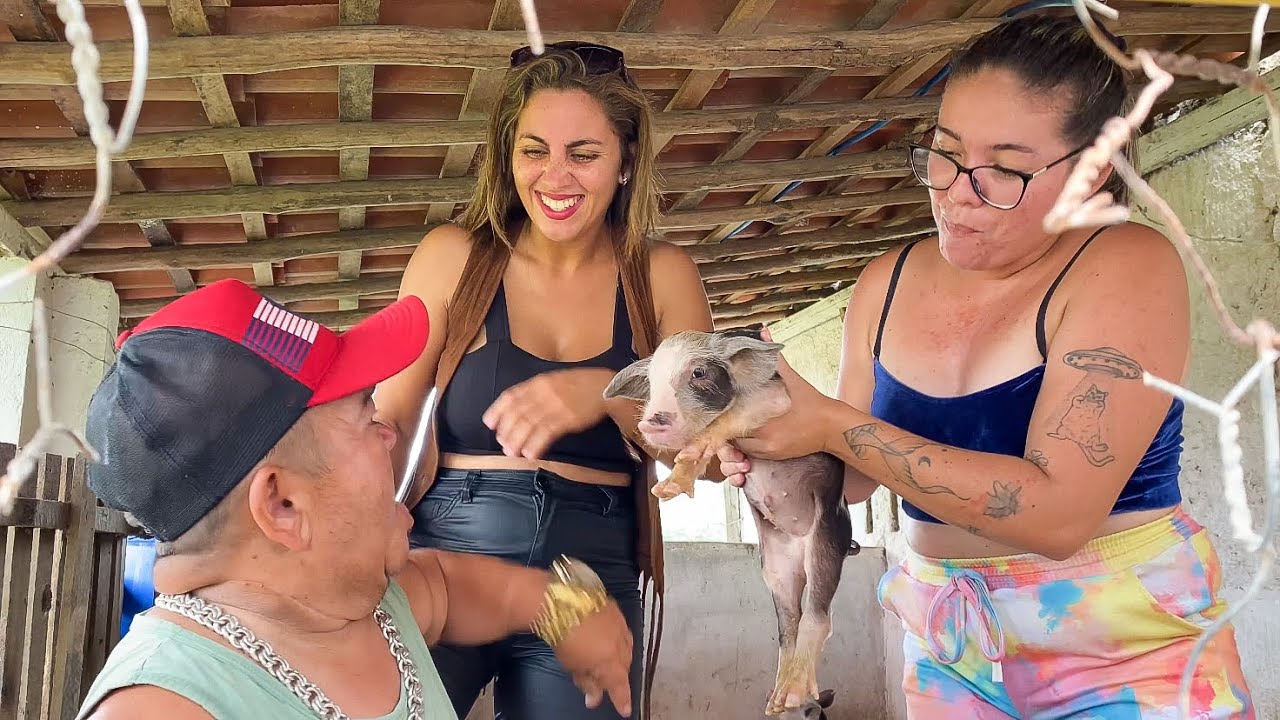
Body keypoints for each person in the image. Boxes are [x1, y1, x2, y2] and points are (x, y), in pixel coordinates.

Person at [716, 14, 1255, 719]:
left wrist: (831, 426)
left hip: (1124, 646)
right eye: (943, 153)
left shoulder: (1125, 265)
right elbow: (847, 481)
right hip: (950, 639)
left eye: (1003, 167)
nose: (956, 191)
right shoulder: (887, 281)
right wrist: (765, 431)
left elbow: (1058, 516)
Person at [75, 278, 636, 720]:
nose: (392, 434)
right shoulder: (163, 706)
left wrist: (569, 607)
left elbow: (448, 583)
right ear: (283, 506)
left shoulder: (363, 605)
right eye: (367, 418)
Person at [373, 41, 714, 720]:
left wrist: (604, 392)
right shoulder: (453, 258)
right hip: (447, 548)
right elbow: (385, 422)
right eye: (534, 151)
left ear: (624, 162)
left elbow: (694, 452)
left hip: (597, 563)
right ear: (507, 157)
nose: (555, 178)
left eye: (583, 154)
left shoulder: (663, 275)